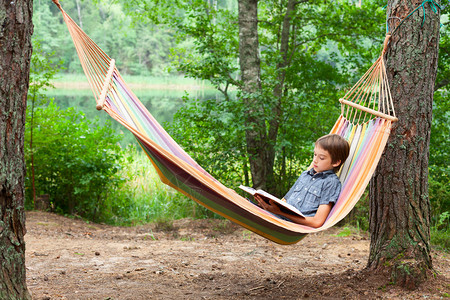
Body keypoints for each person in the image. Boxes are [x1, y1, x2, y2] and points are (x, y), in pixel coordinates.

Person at [254, 134, 350, 228]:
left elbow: (317, 222)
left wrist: (279, 212)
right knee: (245, 204)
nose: (315, 160)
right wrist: (267, 205)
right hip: (276, 216)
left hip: (290, 225)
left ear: (336, 162)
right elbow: (284, 201)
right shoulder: (305, 175)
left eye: (321, 158)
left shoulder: (331, 182)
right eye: (315, 154)